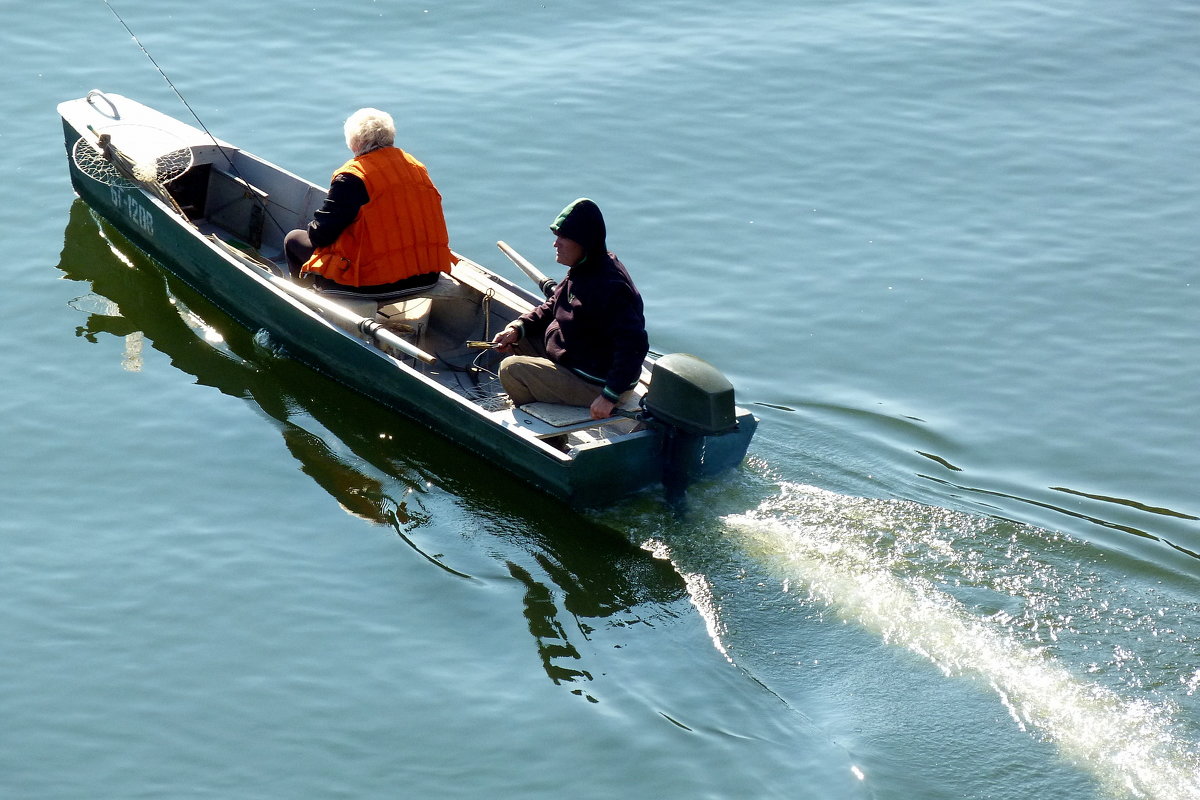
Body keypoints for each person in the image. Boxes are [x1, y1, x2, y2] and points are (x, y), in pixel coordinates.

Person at [491, 198, 649, 420]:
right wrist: (518, 328)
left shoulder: (610, 287)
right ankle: (544, 392)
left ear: (584, 242)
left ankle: (549, 431)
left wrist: (609, 396)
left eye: (564, 237)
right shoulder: (584, 266)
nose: (556, 243)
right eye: (557, 236)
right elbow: (554, 304)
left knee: (510, 369)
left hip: (596, 381)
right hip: (575, 356)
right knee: (518, 338)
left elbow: (634, 344)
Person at [283, 108, 455, 292]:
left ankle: (306, 300)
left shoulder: (353, 177)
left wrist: (313, 226)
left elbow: (320, 236)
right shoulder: (416, 167)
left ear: (355, 143)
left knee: (293, 240)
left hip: (375, 282)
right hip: (428, 274)